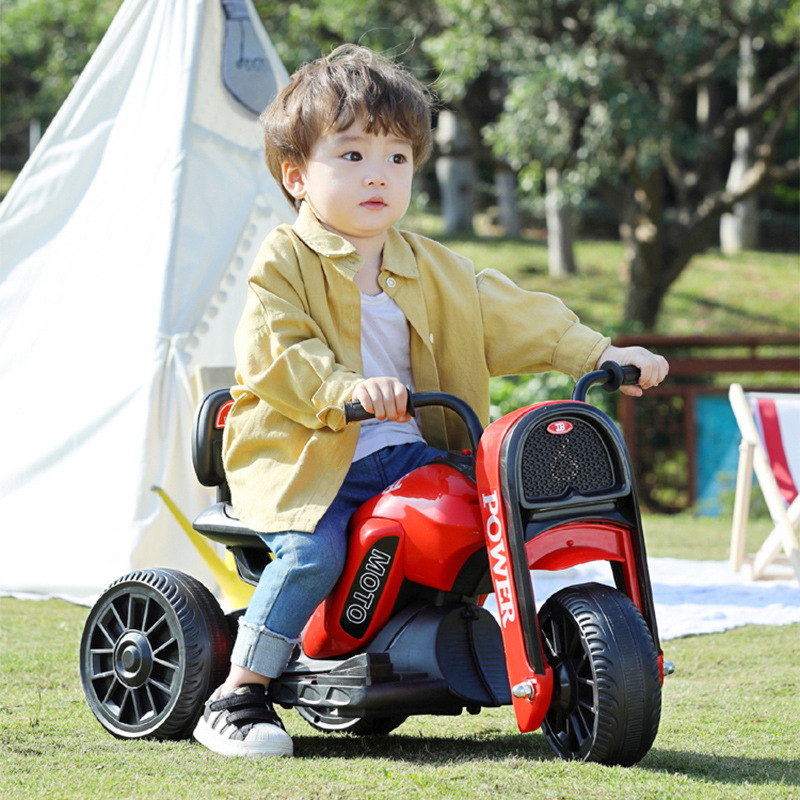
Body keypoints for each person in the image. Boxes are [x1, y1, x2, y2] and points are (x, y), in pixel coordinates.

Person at [192, 44, 669, 758]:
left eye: (397, 157)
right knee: (314, 554)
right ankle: (239, 692)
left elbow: (514, 314)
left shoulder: (437, 266)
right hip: (308, 459)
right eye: (352, 156)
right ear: (296, 176)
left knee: (489, 523)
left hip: (411, 454)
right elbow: (280, 350)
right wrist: (346, 389)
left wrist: (599, 353)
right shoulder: (283, 260)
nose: (378, 174)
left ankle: (527, 653)